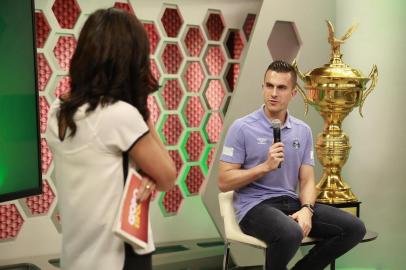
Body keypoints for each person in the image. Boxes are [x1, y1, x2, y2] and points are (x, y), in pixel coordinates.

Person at [45, 8, 177, 270]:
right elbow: (168, 176)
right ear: (130, 60)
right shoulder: (119, 115)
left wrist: (141, 170)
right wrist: (140, 107)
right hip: (119, 257)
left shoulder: (57, 112)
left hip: (76, 257)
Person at [218, 60, 366, 270]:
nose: (274, 93)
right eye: (269, 86)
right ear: (263, 88)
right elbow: (224, 181)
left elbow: (306, 181)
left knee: (354, 228)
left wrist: (307, 209)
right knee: (290, 233)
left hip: (291, 203)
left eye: (281, 87)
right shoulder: (242, 127)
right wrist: (265, 167)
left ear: (293, 93)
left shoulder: (302, 130)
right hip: (254, 207)